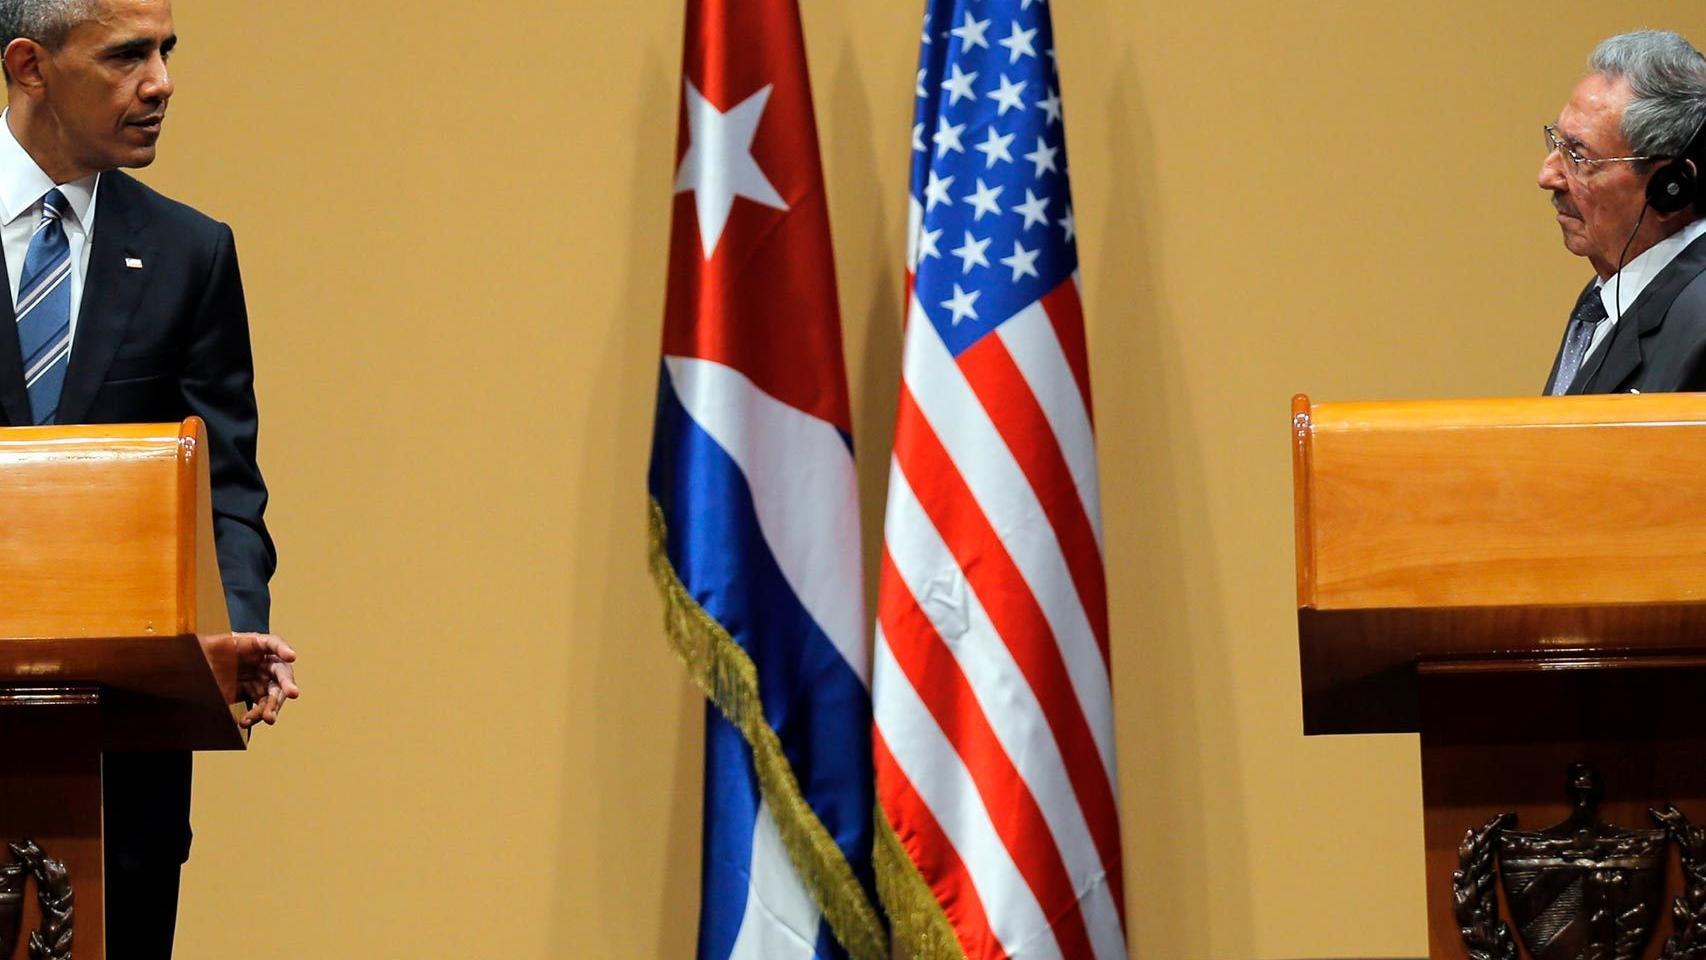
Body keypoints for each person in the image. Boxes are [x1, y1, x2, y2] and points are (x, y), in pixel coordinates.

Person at [0, 0, 299, 956]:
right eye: (128, 55)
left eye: (167, 52)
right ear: (31, 66)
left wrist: (234, 625)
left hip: (120, 770)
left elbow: (226, 487)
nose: (162, 82)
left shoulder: (188, 253)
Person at [1539, 30, 1706, 395]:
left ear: (1670, 187)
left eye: (1578, 155)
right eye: (1558, 142)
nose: (1547, 175)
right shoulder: (1605, 298)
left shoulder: (1700, 319)